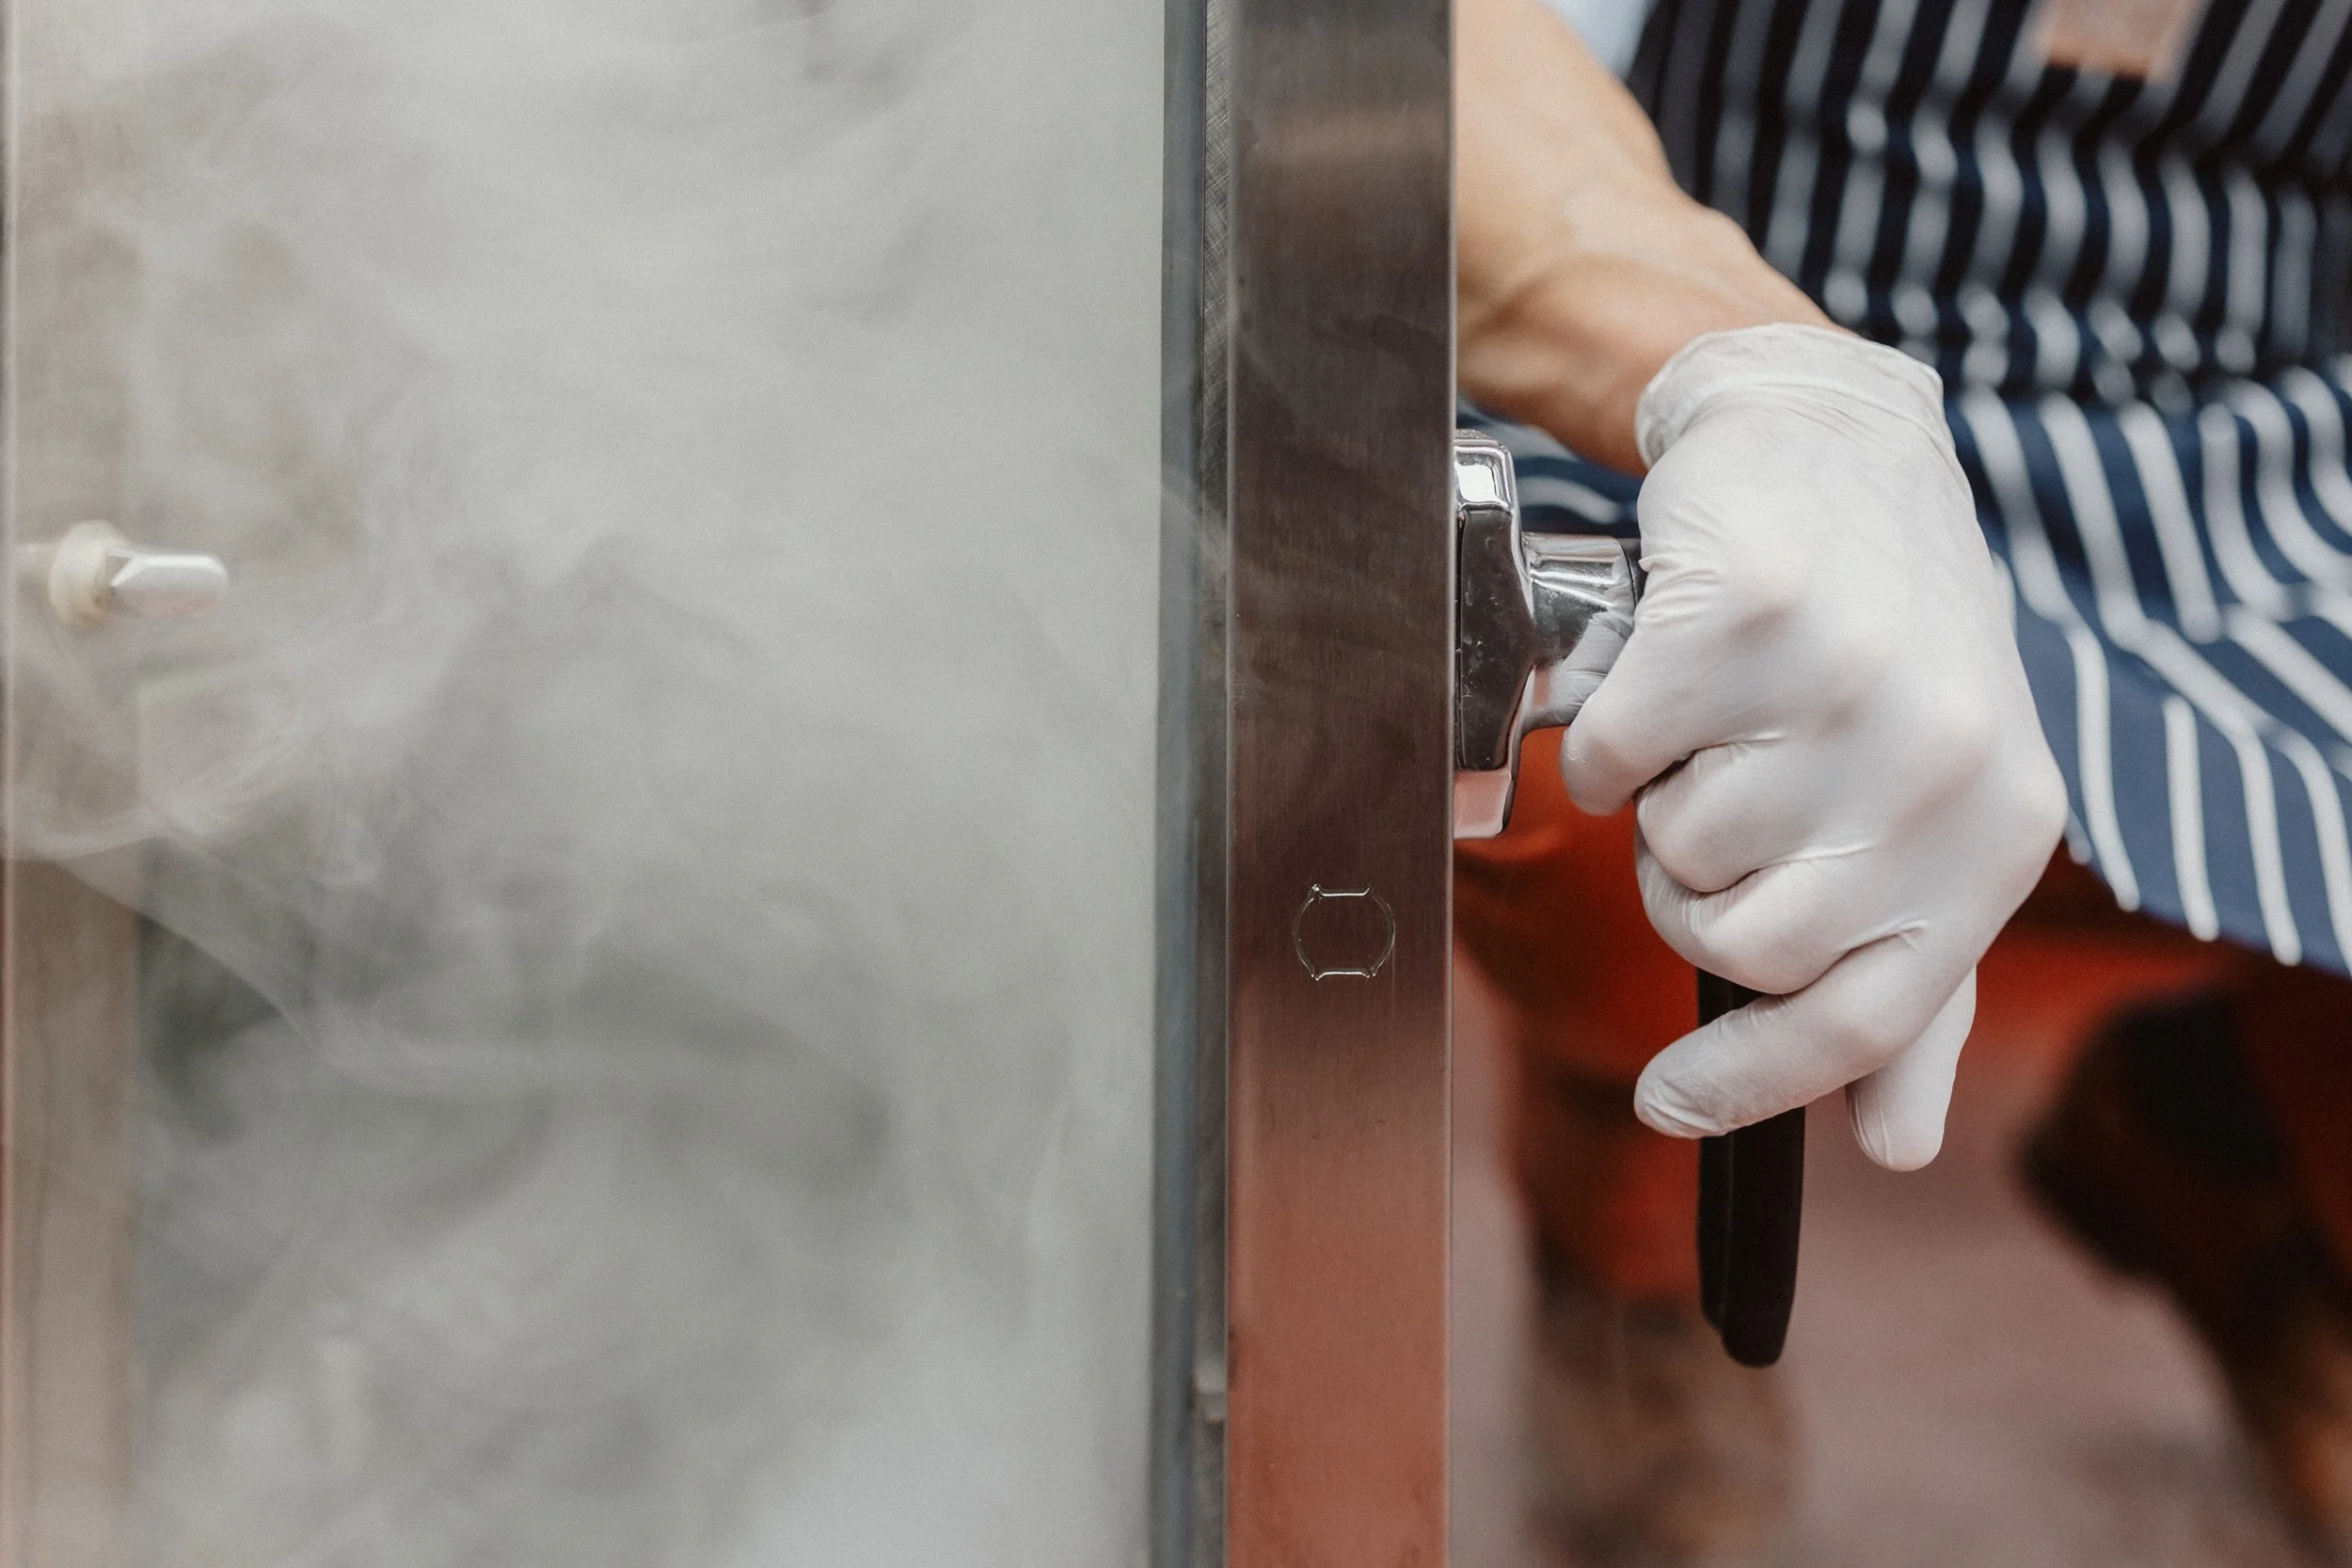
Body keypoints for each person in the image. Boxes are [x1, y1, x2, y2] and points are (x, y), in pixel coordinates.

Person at [1456, 0, 2352, 1561]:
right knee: (1561, 738)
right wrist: (1761, 381)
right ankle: (1627, 1243)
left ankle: (2232, 1133)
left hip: (2260, 453)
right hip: (1711, 362)